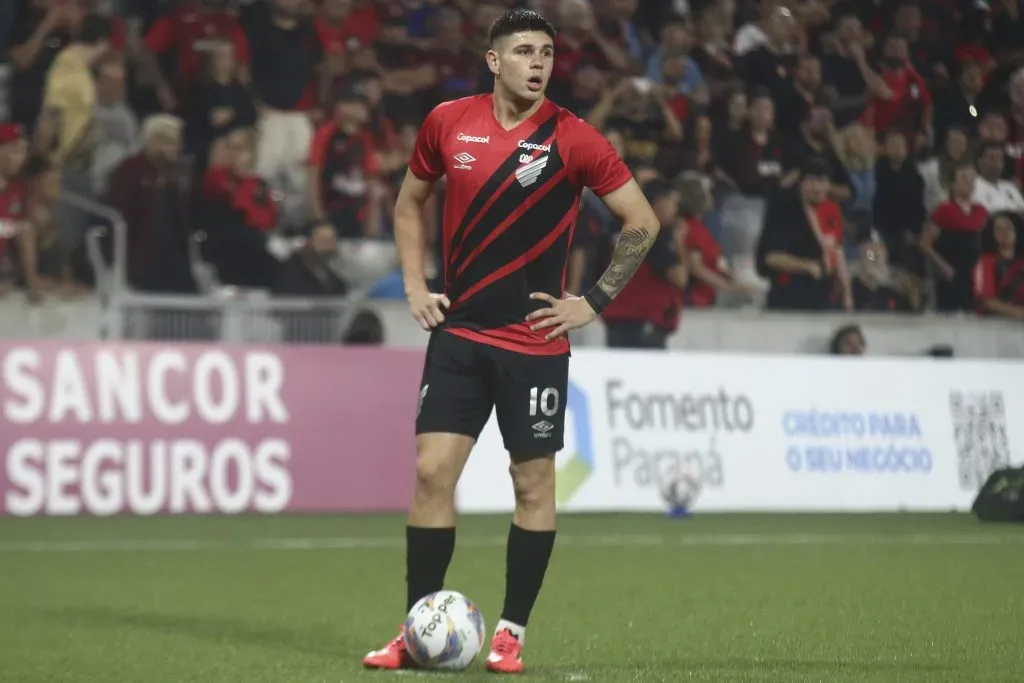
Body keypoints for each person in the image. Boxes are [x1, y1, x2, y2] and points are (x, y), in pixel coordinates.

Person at [362, 8, 660, 675]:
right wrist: (414, 284)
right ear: (494, 61)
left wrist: (593, 301)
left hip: (533, 343)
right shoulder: (448, 122)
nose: (538, 63)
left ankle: (510, 633)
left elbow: (642, 221)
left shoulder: (574, 138)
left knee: (532, 484)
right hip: (460, 333)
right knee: (431, 473)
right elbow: (409, 202)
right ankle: (416, 630)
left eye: (547, 53)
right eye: (525, 51)